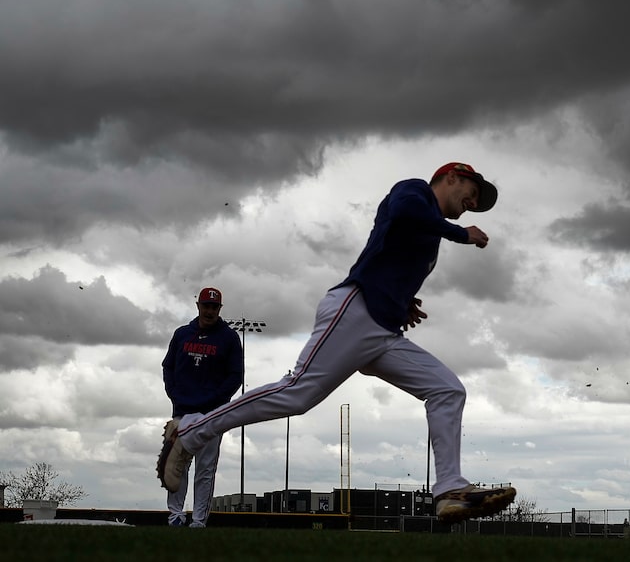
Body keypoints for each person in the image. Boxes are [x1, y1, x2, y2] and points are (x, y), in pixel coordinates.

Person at [156, 162, 515, 524]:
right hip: (353, 313)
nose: (474, 200)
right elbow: (406, 213)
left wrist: (403, 301)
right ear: (451, 177)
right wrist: (460, 234)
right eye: (473, 190)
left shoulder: (429, 228)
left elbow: (388, 254)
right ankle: (190, 429)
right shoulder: (415, 191)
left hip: (383, 332)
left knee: (447, 390)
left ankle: (450, 488)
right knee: (296, 394)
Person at [160, 287, 244, 528]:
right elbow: (168, 367)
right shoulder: (182, 334)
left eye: (214, 307)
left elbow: (235, 376)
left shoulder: (229, 338)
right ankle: (175, 516)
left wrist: (216, 402)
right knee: (177, 465)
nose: (209, 310)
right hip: (183, 411)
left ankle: (198, 521)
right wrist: (174, 393)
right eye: (206, 305)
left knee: (205, 469)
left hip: (212, 414)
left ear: (220, 309)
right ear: (198, 305)